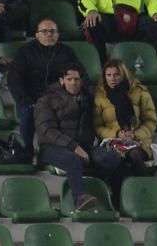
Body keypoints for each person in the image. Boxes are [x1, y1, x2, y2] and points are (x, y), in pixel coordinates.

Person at [36, 63, 123, 212]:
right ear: (62, 80)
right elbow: (47, 130)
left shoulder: (89, 99)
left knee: (112, 158)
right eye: (69, 79)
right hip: (52, 148)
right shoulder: (46, 99)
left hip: (83, 146)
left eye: (76, 79)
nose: (73, 83)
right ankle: (80, 198)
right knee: (72, 159)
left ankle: (112, 197)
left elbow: (102, 121)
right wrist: (73, 147)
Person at [7, 17, 78, 157]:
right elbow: (14, 79)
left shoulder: (67, 52)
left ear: (58, 34)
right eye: (44, 31)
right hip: (31, 98)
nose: (49, 35)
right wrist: (24, 99)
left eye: (52, 31)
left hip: (59, 97)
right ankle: (27, 151)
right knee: (27, 114)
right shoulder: (24, 52)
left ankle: (61, 152)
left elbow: (79, 74)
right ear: (37, 35)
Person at [93, 58, 155, 189]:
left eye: (116, 74)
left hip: (138, 141)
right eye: (108, 75)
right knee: (116, 158)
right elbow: (97, 126)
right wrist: (116, 133)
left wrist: (135, 135)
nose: (112, 79)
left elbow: (150, 121)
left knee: (134, 154)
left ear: (124, 74)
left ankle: (147, 191)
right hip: (112, 141)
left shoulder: (140, 92)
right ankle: (117, 201)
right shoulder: (100, 97)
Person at [78, 0, 157, 61]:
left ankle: (141, 60)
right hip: (108, 18)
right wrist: (91, 11)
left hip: (135, 19)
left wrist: (156, 12)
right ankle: (104, 65)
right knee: (92, 23)